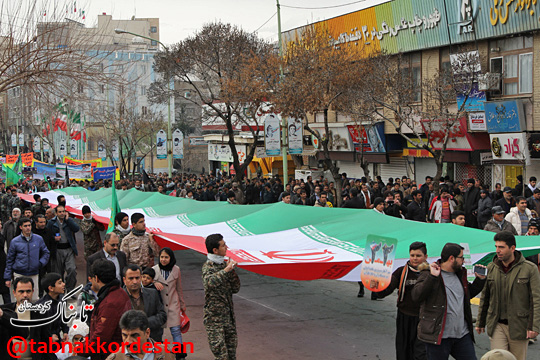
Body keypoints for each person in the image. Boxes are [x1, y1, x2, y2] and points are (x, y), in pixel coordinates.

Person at [412, 243, 486, 360]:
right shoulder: (429, 273)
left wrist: (480, 280)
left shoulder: (460, 274)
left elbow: (466, 295)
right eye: (461, 258)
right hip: (439, 336)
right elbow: (417, 296)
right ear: (452, 258)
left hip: (461, 335)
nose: (464, 261)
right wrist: (432, 277)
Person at [476, 231, 540, 360]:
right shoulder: (492, 267)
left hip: (519, 326)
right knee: (498, 357)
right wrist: (480, 321)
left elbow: (536, 299)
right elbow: (485, 297)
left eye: (501, 247)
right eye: (496, 247)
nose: (498, 250)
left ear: (512, 248)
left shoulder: (529, 269)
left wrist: (534, 326)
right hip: (497, 325)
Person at [374, 242, 429, 360]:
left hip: (423, 319)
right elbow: (387, 289)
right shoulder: (401, 272)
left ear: (425, 257)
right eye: (412, 255)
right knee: (403, 350)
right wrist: (377, 287)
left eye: (418, 255)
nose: (415, 258)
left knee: (420, 354)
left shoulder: (431, 273)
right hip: (404, 317)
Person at [202, 234, 241, 360]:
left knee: (231, 355)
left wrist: (231, 271)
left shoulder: (225, 266)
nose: (226, 247)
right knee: (221, 356)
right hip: (214, 320)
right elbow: (210, 282)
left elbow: (235, 288)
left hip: (228, 318)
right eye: (223, 245)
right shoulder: (208, 267)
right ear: (215, 250)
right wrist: (226, 271)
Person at [84, 259, 132, 360]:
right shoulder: (120, 292)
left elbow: (101, 338)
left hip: (109, 355)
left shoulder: (109, 303)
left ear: (96, 278)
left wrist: (79, 350)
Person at [4, 217, 50, 302]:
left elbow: (46, 253)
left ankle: (33, 315)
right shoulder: (15, 241)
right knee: (20, 299)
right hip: (19, 273)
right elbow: (9, 260)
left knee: (34, 299)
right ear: (21, 227)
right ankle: (20, 315)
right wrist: (7, 277)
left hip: (34, 273)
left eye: (29, 225)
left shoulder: (38, 239)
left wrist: (40, 263)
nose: (28, 227)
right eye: (25, 226)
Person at [153, 248, 187, 357]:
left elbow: (179, 288)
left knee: (176, 330)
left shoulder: (176, 270)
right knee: (159, 332)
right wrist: (154, 283)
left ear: (171, 258)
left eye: (166, 257)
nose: (163, 259)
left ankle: (178, 354)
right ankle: (158, 353)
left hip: (173, 304)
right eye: (162, 257)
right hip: (159, 306)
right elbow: (146, 282)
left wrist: (182, 304)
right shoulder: (154, 270)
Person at [106, 310, 176, 360]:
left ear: (147, 333)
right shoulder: (115, 358)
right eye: (125, 335)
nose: (128, 341)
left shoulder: (166, 353)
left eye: (134, 335)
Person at [122, 264, 167, 342]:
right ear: (124, 280)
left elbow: (162, 316)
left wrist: (144, 322)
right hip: (129, 344)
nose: (135, 281)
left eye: (137, 278)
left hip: (152, 341)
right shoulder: (119, 298)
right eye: (131, 278)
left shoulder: (153, 293)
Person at [32, 273, 69, 360]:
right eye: (59, 283)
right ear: (51, 288)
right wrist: (49, 336)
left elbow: (63, 318)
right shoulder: (41, 306)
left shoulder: (61, 300)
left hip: (57, 342)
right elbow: (38, 330)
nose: (63, 284)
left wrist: (65, 331)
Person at [47, 204, 80, 293]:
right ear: (56, 213)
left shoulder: (68, 221)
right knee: (58, 273)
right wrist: (54, 238)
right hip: (58, 249)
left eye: (63, 211)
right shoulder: (51, 223)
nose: (62, 213)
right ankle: (60, 291)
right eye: (60, 212)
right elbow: (47, 235)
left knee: (72, 270)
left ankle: (70, 290)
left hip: (69, 249)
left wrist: (68, 220)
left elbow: (76, 229)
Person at [1, 276, 34, 360]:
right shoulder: (6, 310)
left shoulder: (41, 313)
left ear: (33, 292)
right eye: (21, 292)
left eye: (28, 291)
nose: (25, 295)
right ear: (14, 293)